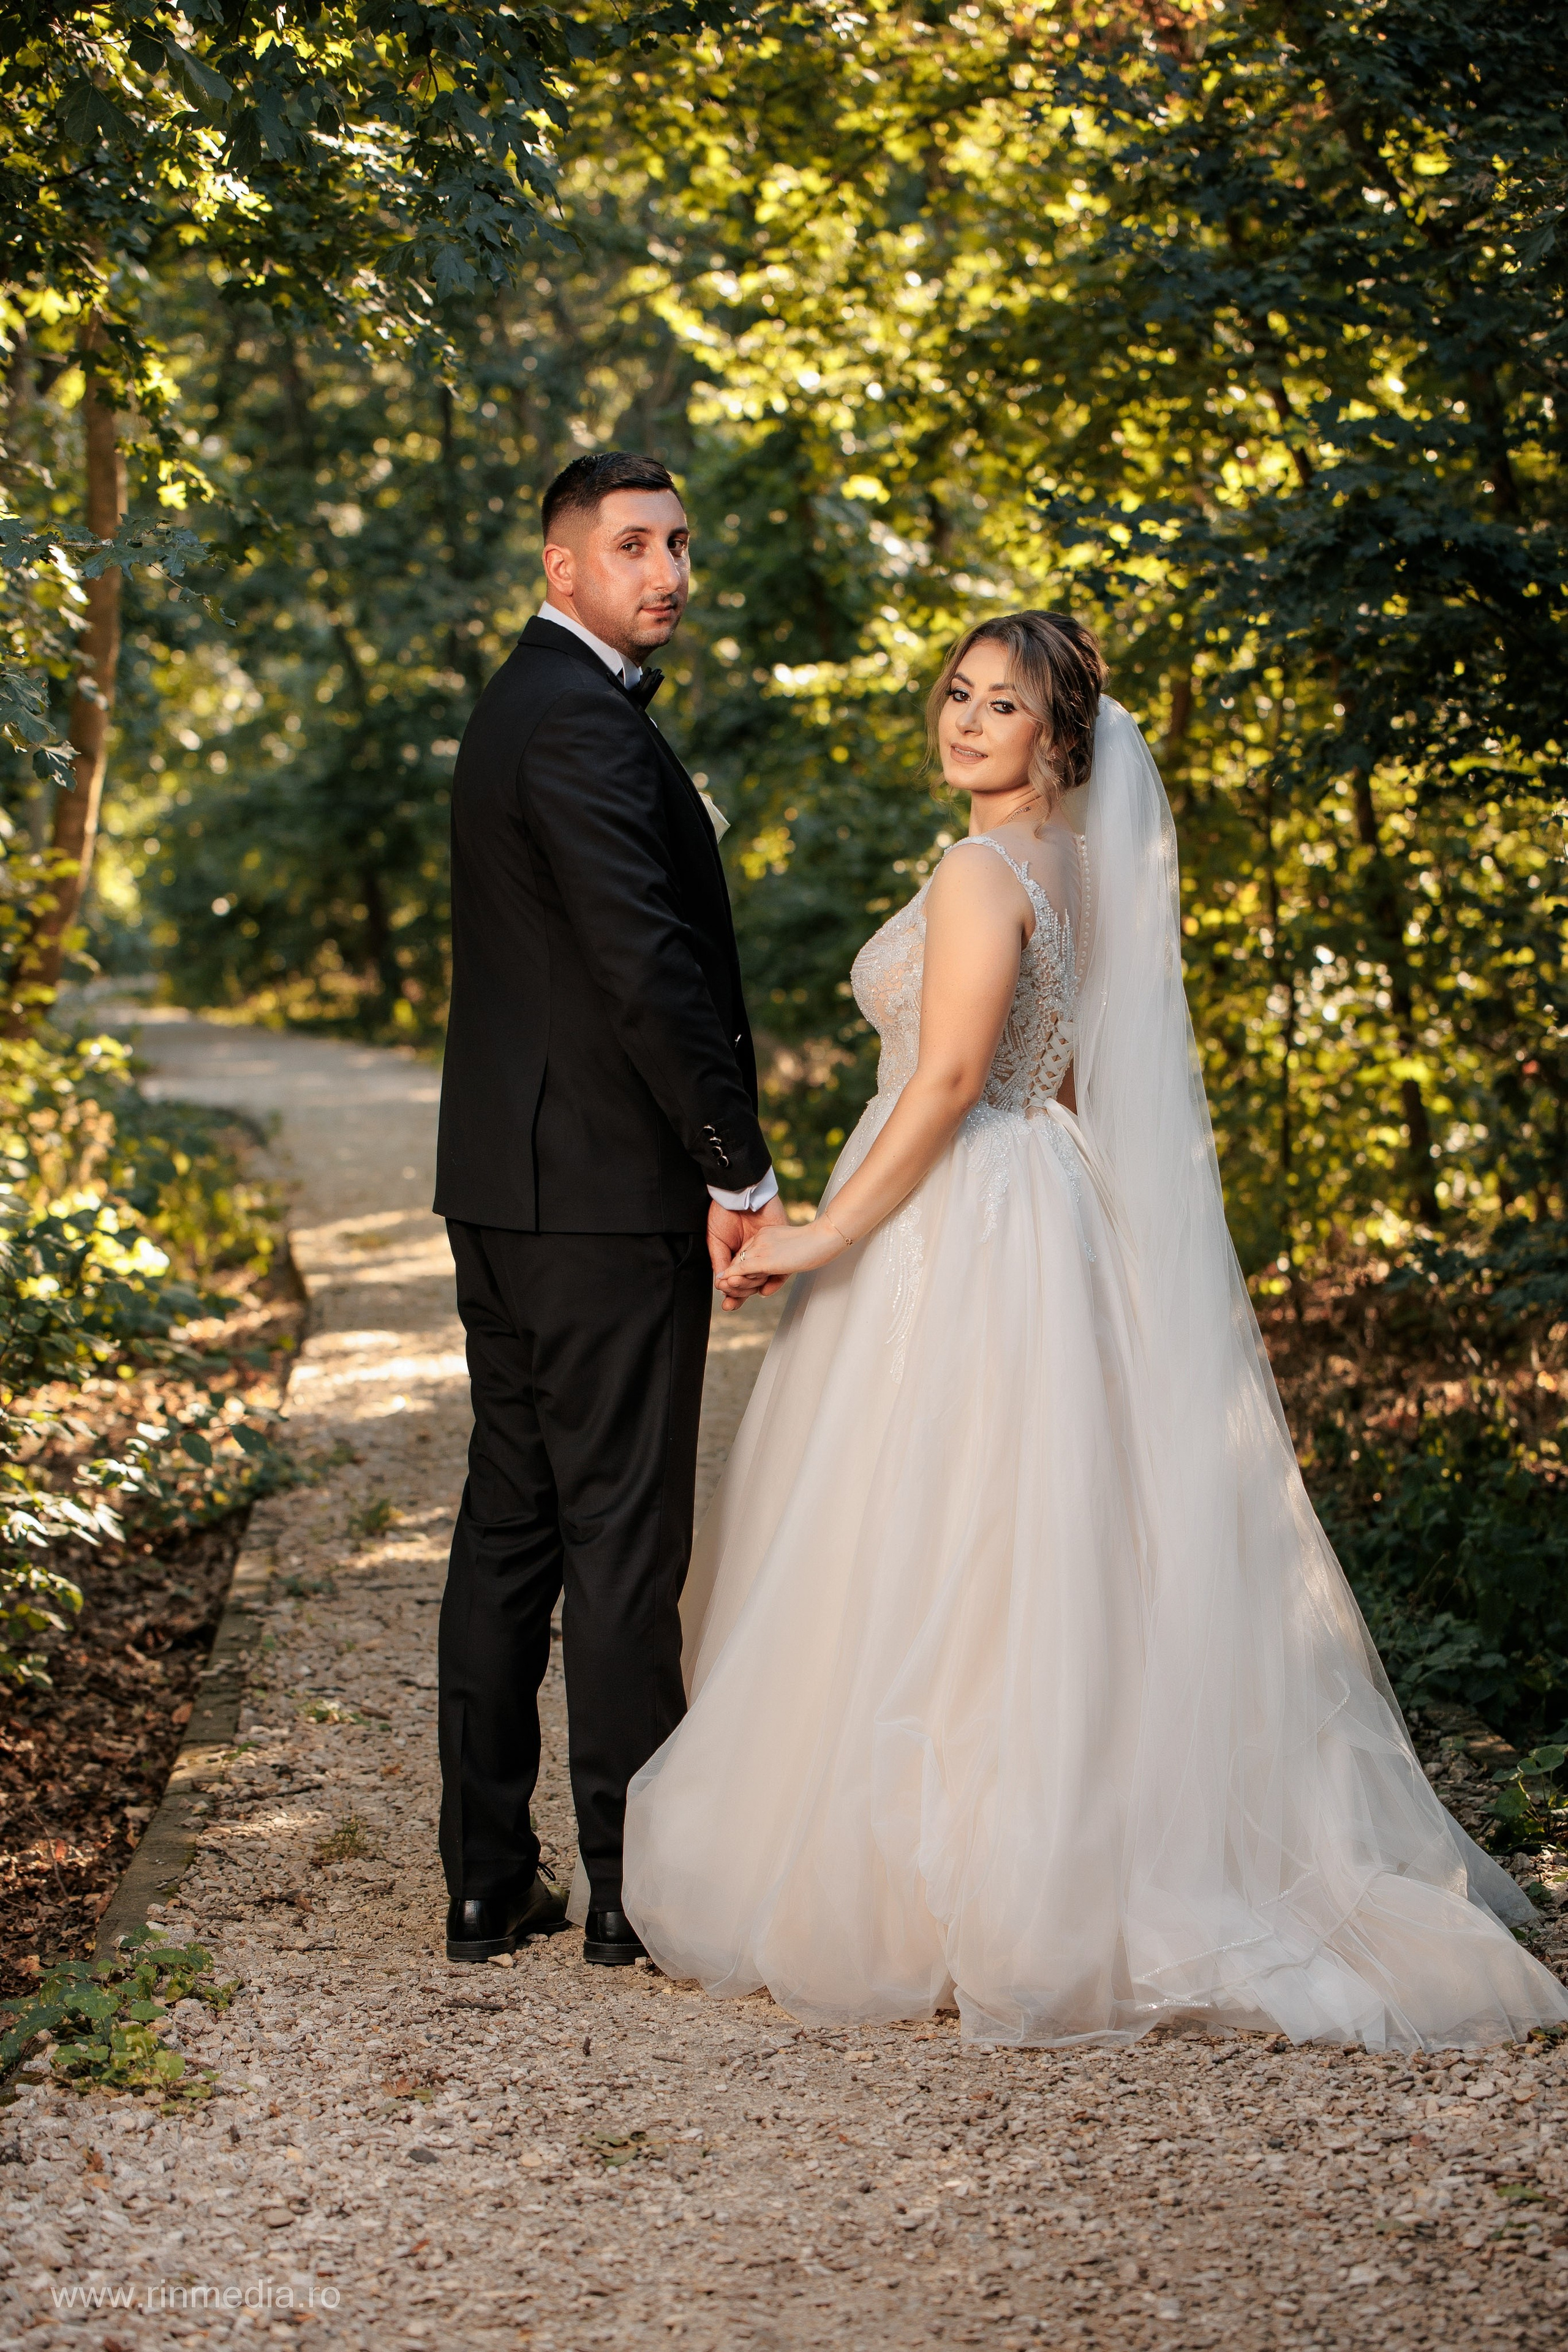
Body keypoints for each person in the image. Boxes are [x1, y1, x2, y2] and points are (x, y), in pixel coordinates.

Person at [621, 611, 1568, 2049]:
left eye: (1000, 705)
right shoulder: (1085, 867)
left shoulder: (975, 870)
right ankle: (1061, 1840)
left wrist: (822, 1231)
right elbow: (1060, 1082)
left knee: (941, 1531)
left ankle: (954, 1888)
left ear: (1057, 737)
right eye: (955, 692)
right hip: (1047, 1201)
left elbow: (942, 1087)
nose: (963, 719)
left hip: (957, 1207)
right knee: (1044, 1534)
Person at [433, 451, 786, 1967]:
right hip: (596, 1194)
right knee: (622, 1537)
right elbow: (644, 964)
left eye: (680, 545)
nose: (669, 573)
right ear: (560, 567)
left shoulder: (520, 705)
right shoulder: (578, 718)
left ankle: (483, 1877)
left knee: (511, 1523)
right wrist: (734, 1162)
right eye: (634, 545)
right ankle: (637, 1886)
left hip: (501, 1193)